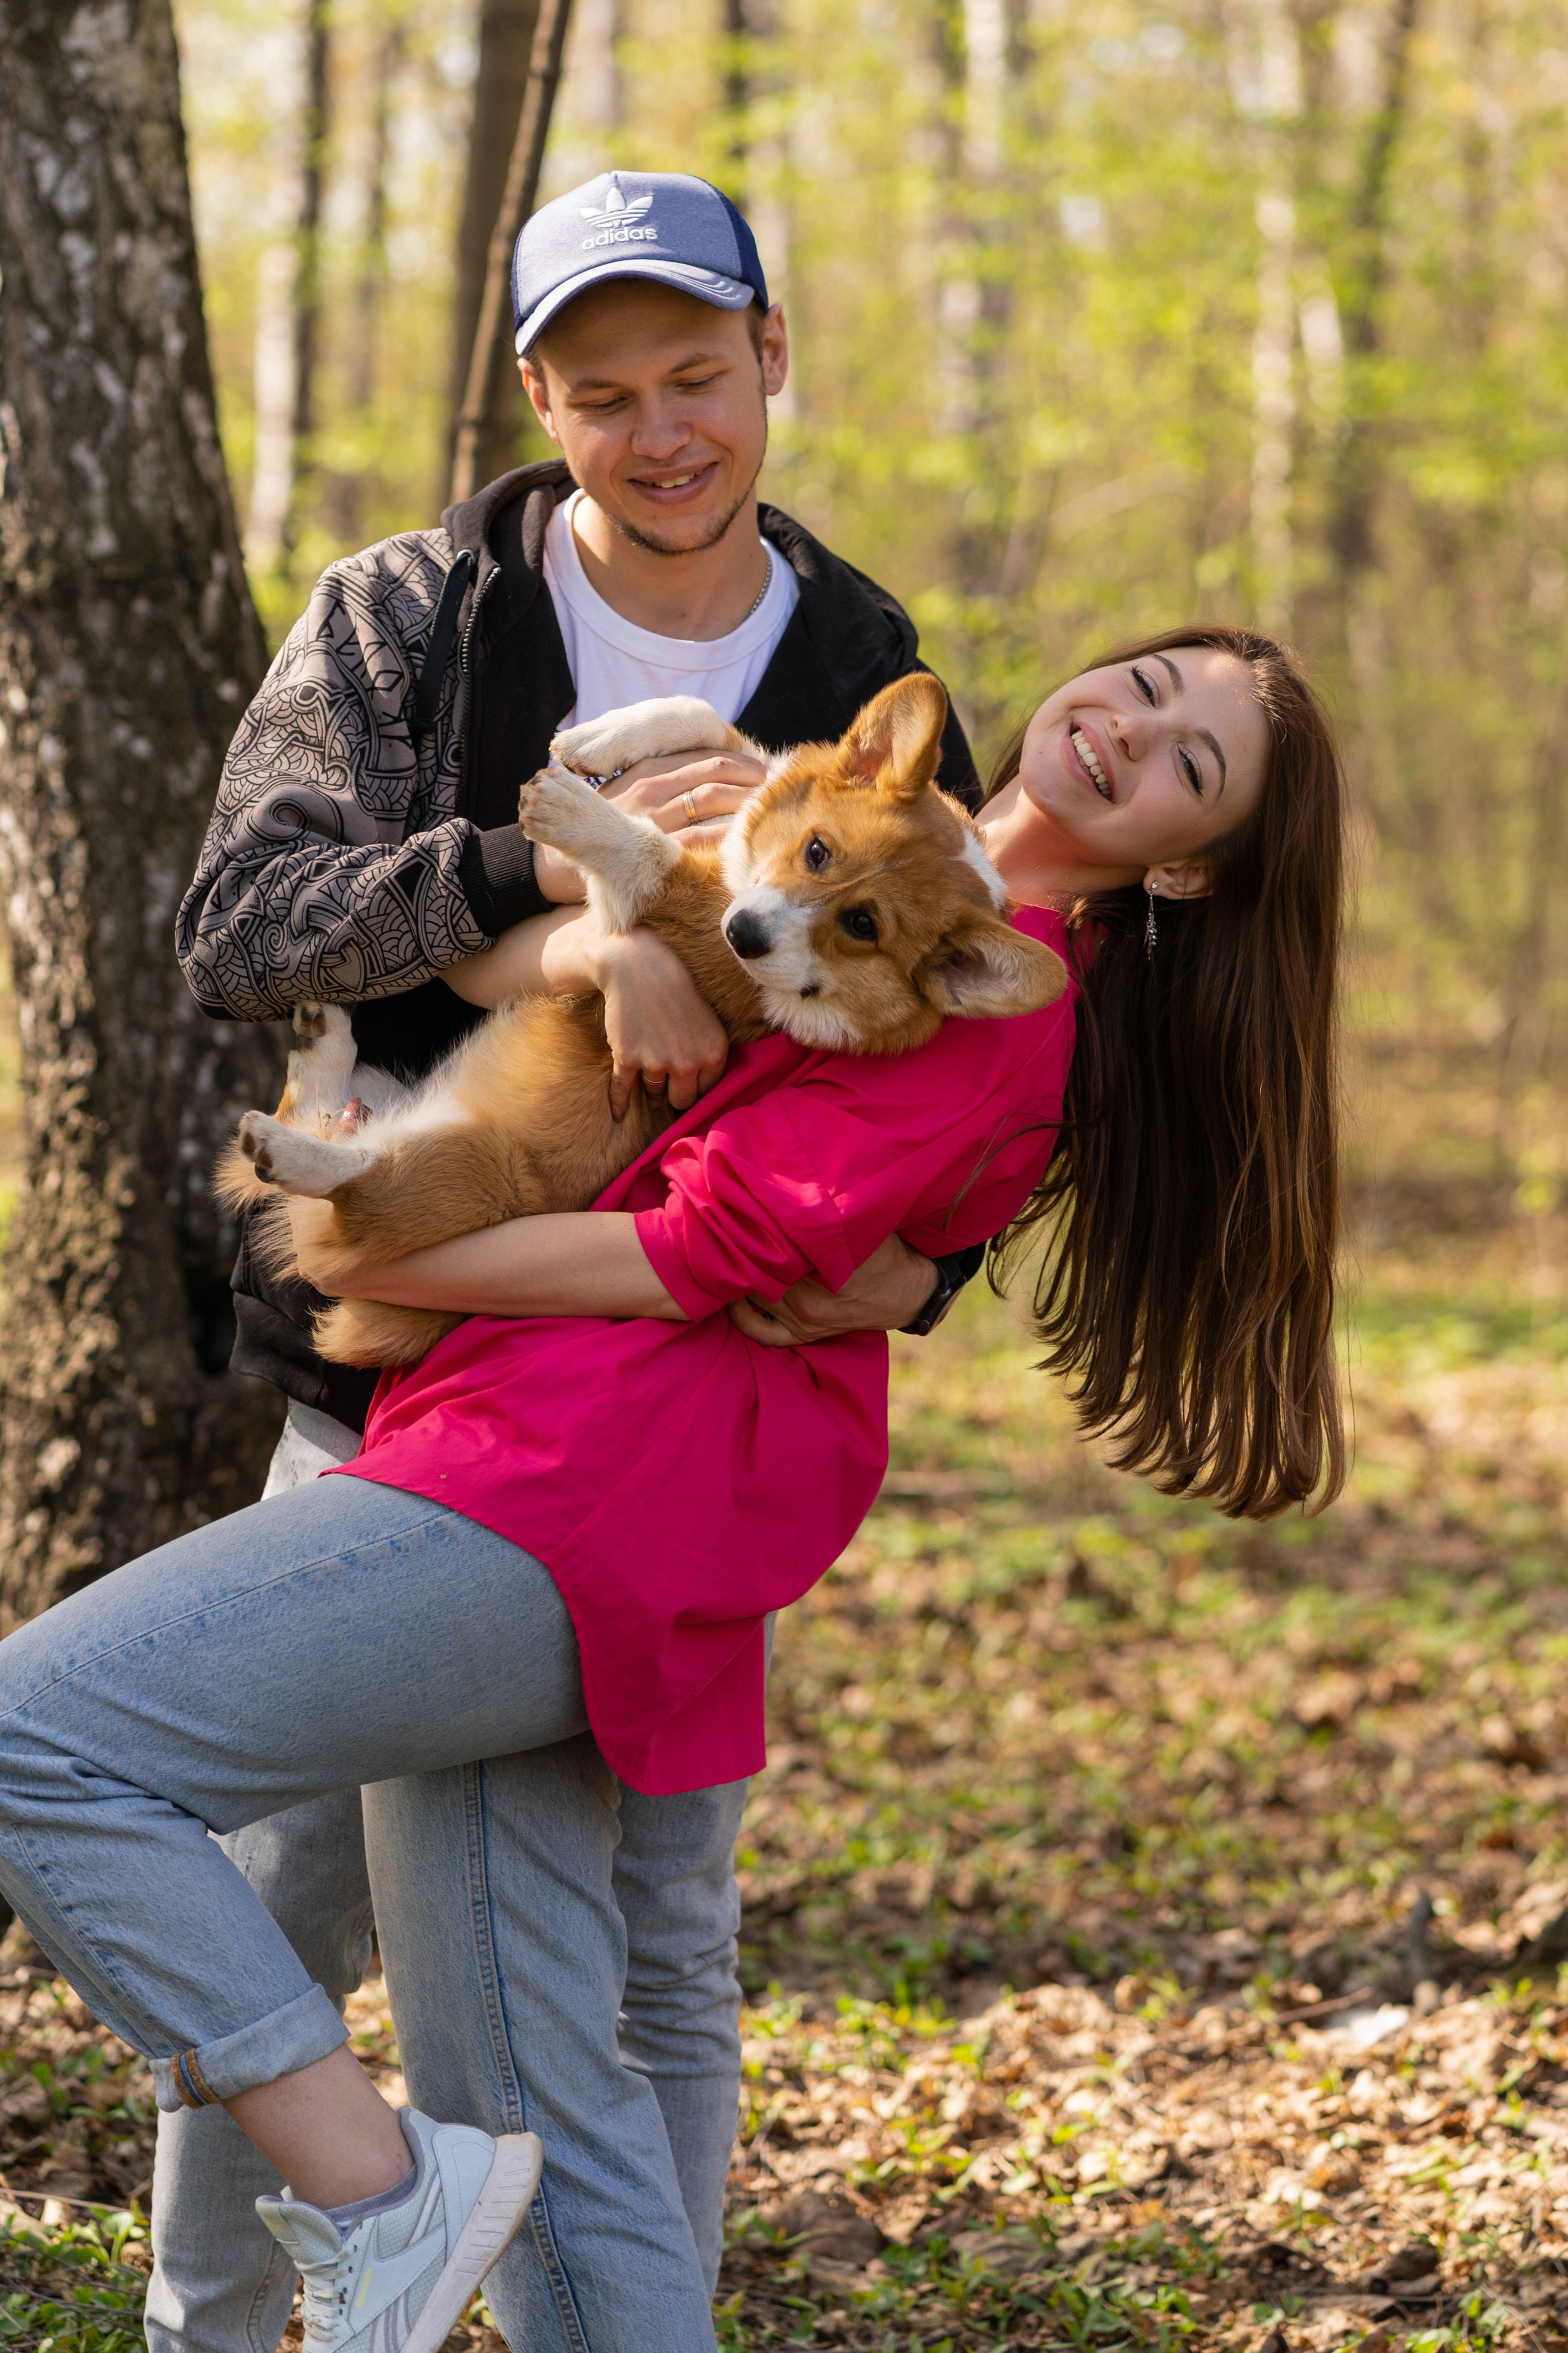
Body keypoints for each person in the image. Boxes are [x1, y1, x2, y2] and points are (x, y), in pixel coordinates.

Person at [0, 624, 1343, 2353]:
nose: (1129, 735)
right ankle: (419, 2212)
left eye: (1189, 763)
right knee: (530, 2091)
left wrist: (394, 1246)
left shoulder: (997, 987)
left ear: (1189, 861)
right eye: (1145, 688)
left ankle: (369, 2188)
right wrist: (620, 926)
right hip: (518, 1445)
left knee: (38, 1739)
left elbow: (703, 1247)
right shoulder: (857, 826)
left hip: (567, 1489)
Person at [155, 169, 982, 2353]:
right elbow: (242, 917)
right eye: (605, 393)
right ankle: (205, 2327)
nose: (661, 431)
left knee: (661, 1939)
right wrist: (557, 904)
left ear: (772, 356)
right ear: (540, 400)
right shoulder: (411, 614)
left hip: (675, 1412)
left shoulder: (866, 666)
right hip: (390, 1358)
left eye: (698, 373)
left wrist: (930, 1277)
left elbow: (958, 1026)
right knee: (275, 1897)